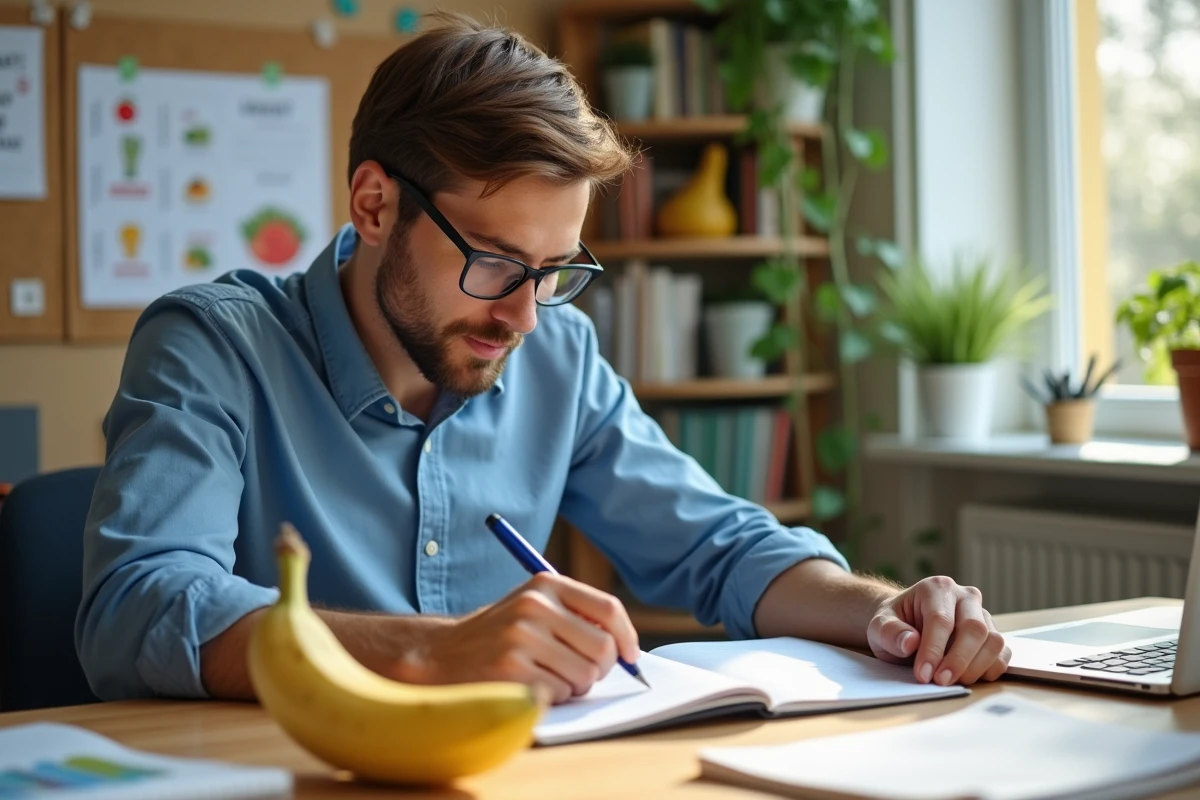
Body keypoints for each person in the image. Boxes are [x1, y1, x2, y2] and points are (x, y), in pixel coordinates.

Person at [76, 13, 1009, 705]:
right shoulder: (213, 344)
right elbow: (139, 606)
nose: (523, 315)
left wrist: (885, 614)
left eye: (556, 270)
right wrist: (439, 649)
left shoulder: (556, 353)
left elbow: (720, 550)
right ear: (373, 205)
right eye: (492, 263)